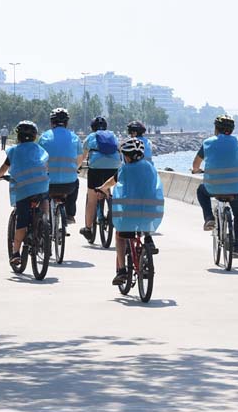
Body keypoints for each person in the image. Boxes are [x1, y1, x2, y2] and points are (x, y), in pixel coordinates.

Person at [94, 137, 164, 286]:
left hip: (129, 215)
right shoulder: (150, 168)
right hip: (150, 213)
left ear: (126, 156)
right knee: (144, 219)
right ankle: (148, 240)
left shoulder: (124, 170)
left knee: (120, 235)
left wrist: (101, 188)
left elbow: (112, 182)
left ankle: (122, 270)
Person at [191, 114, 238, 259]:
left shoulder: (207, 143)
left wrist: (196, 170)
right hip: (236, 188)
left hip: (213, 187)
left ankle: (209, 217)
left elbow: (195, 165)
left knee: (201, 191)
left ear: (216, 128)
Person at [0, 121, 50, 267]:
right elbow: (45, 165)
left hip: (23, 190)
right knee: (44, 198)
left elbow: (4, 168)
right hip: (41, 186)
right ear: (34, 136)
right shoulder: (40, 149)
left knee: (22, 222)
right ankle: (44, 223)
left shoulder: (13, 151)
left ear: (18, 136)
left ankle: (16, 253)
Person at [78, 116, 121, 243]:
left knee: (91, 199)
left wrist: (78, 167)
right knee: (107, 186)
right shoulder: (113, 136)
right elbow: (119, 151)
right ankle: (108, 198)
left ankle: (88, 228)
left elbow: (82, 156)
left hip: (96, 169)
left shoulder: (91, 137)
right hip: (113, 167)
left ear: (92, 128)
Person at [38, 108, 82, 224]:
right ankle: (70, 214)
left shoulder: (44, 137)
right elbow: (79, 161)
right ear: (67, 123)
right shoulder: (75, 138)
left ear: (52, 122)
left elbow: (39, 160)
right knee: (76, 183)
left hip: (48, 184)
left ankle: (42, 219)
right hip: (69, 185)